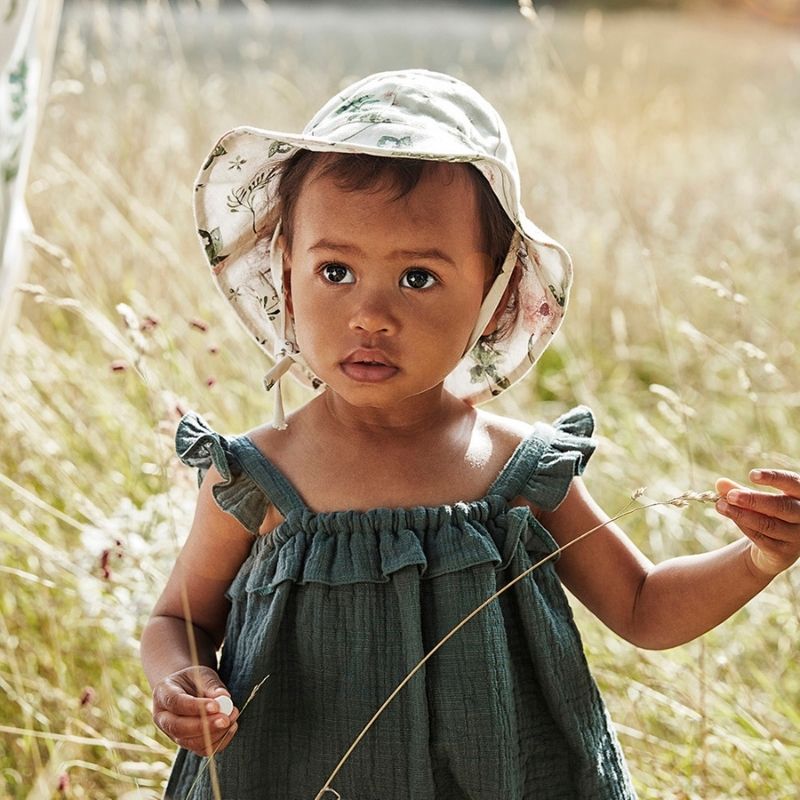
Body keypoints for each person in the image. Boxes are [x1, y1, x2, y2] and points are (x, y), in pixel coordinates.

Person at [140, 69, 800, 800]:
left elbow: (643, 606)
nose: (370, 314)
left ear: (495, 297)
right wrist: (182, 678)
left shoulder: (520, 474)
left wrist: (758, 559)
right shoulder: (256, 475)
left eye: (418, 278)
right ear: (286, 276)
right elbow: (177, 618)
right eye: (335, 270)